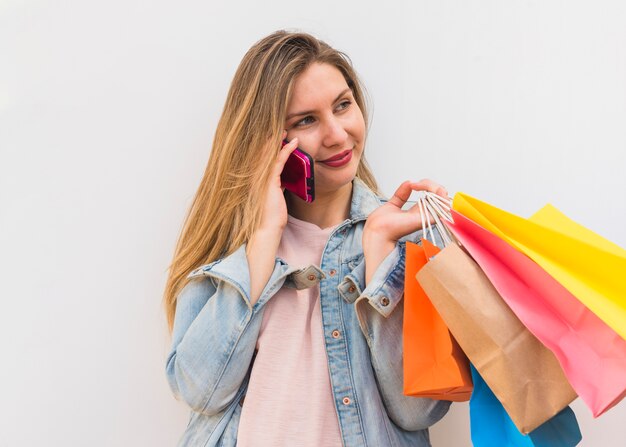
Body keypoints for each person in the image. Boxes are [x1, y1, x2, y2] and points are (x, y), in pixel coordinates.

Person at [163, 30, 451, 447]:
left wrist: (378, 253)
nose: (337, 134)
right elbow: (199, 390)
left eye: (343, 105)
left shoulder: (403, 244)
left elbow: (419, 409)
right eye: (306, 120)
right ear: (269, 143)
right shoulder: (232, 255)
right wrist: (264, 238)